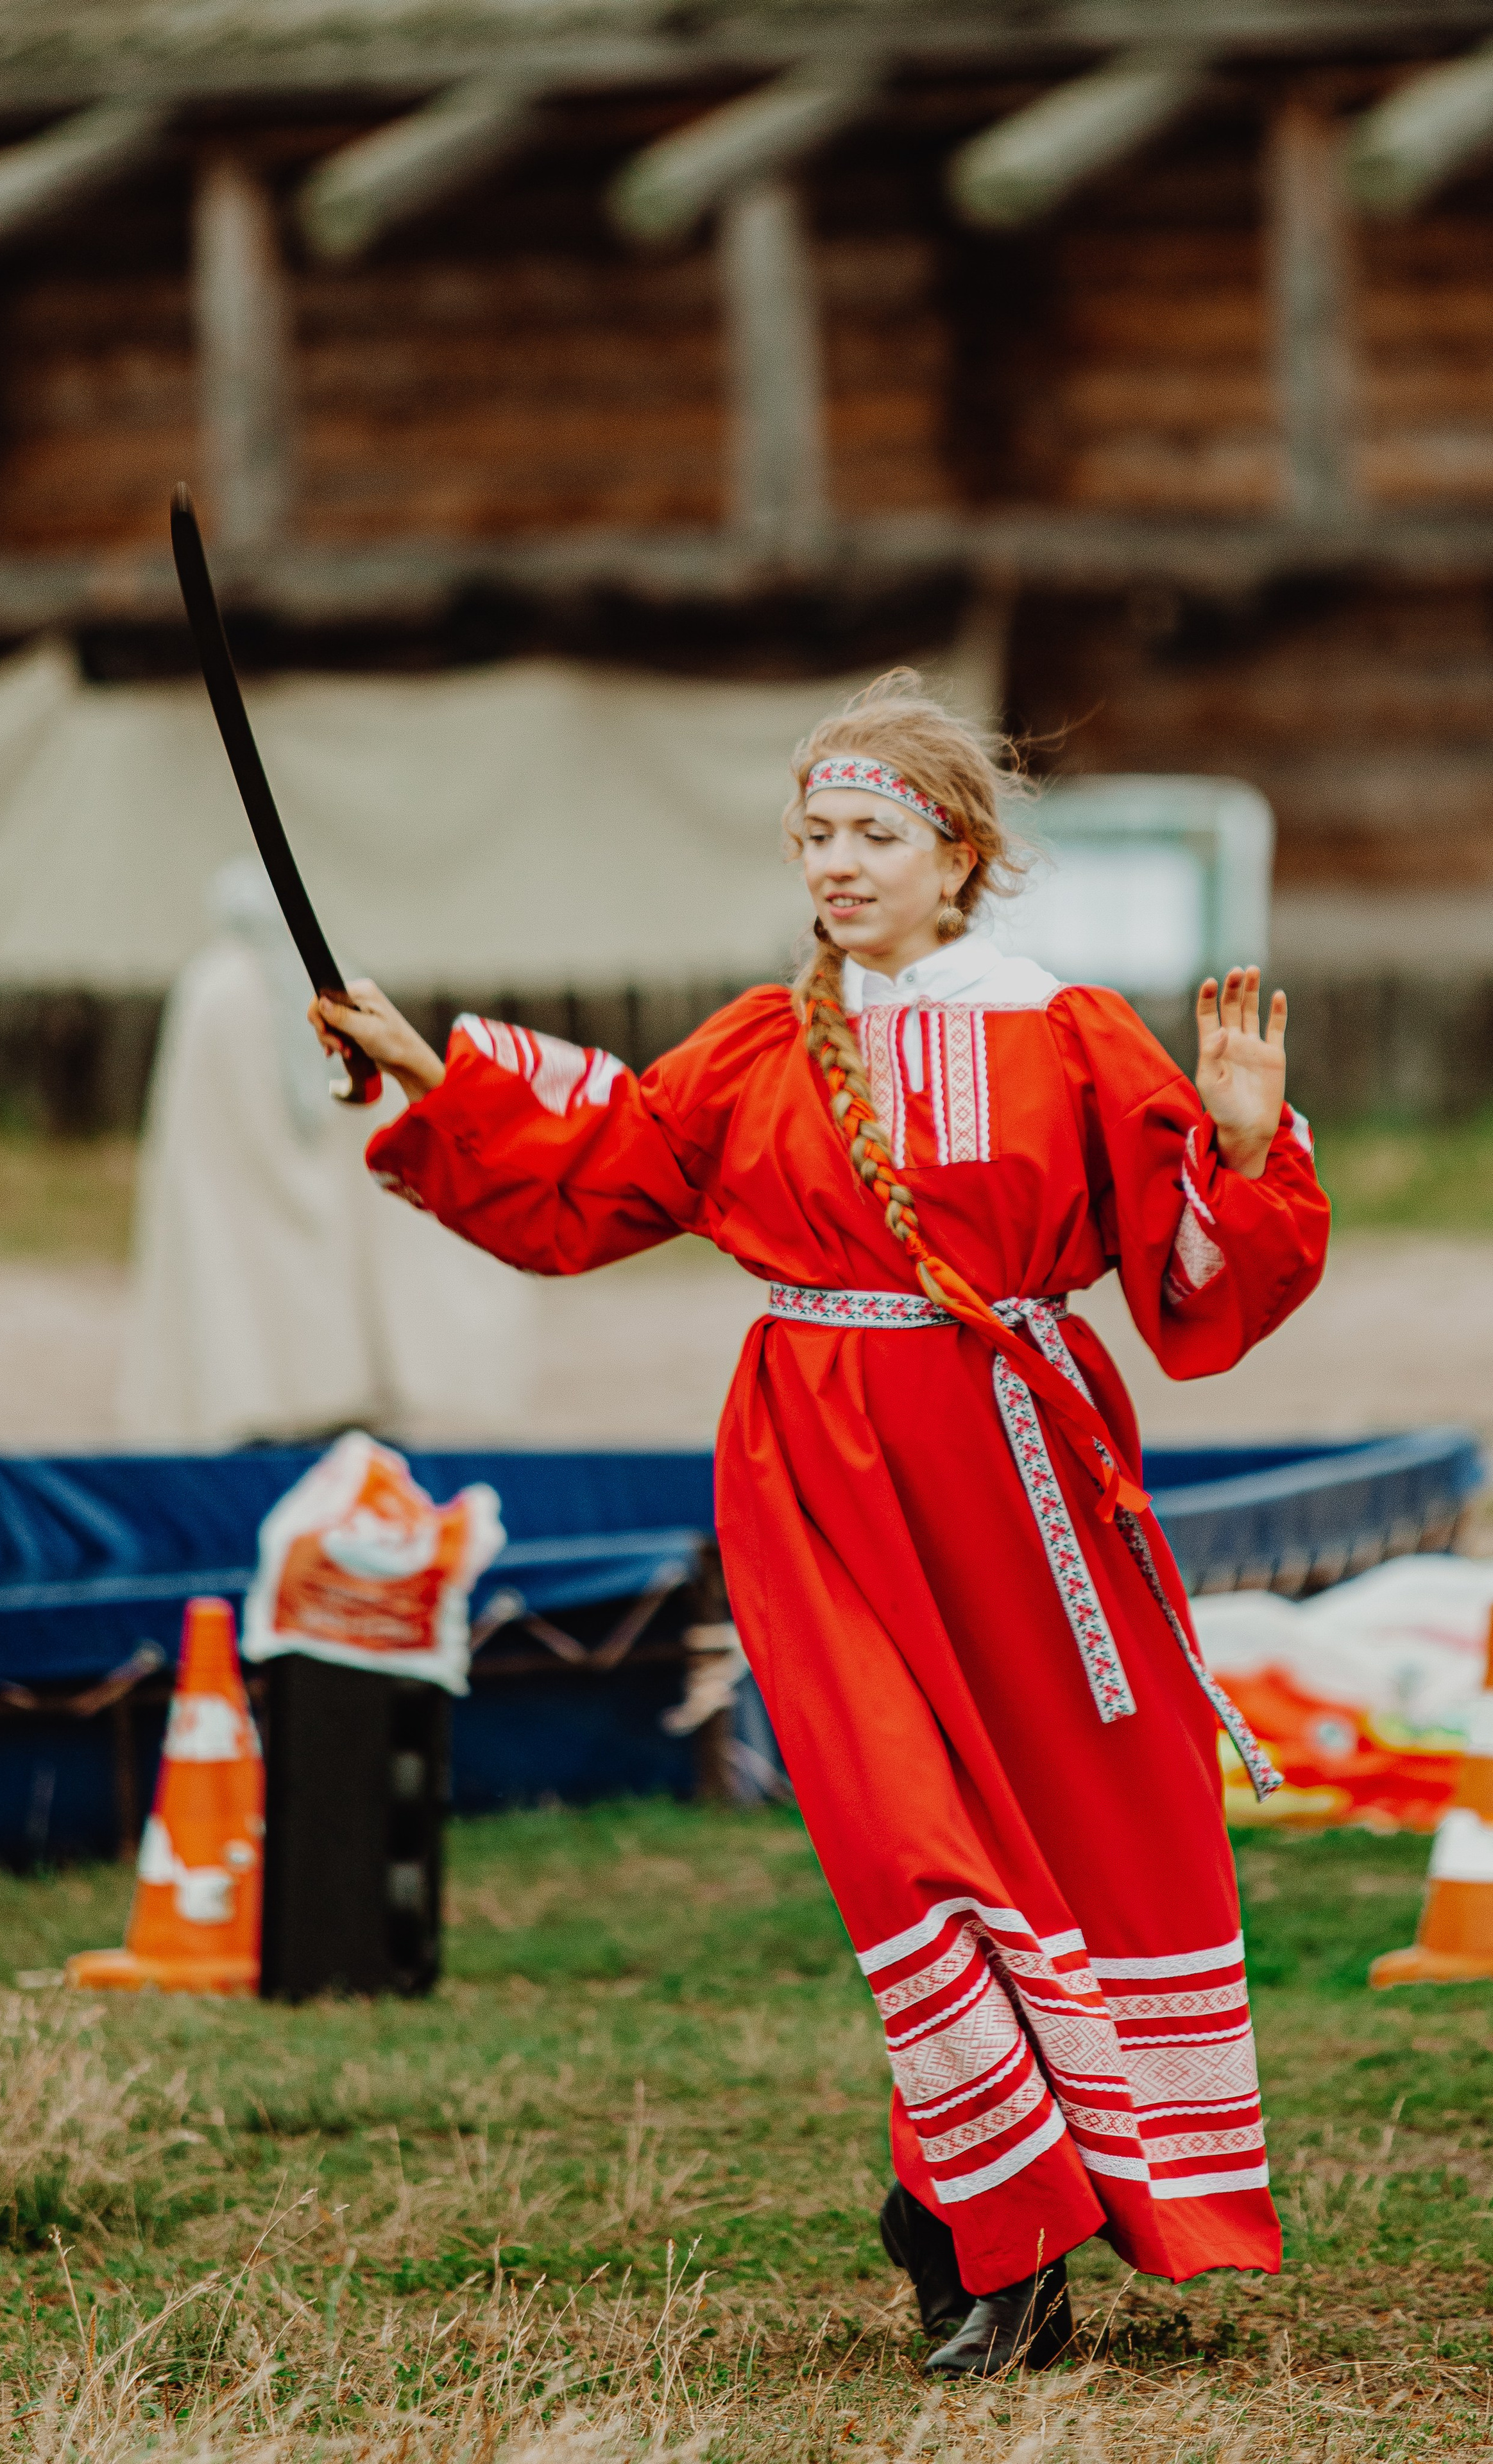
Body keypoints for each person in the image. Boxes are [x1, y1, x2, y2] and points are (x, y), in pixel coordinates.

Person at [310, 671, 1329, 2376]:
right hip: (813, 1476)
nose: (836, 864)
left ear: (964, 856)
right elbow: (602, 1163)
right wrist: (433, 1072)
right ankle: (990, 2229)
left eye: (874, 834)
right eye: (814, 835)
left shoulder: (1069, 1033)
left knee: (1063, 1835)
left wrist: (1237, 1141)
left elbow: (1195, 1281)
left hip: (1019, 1486)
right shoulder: (766, 1044)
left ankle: (970, 2210)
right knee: (909, 1842)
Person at [120, 857, 533, 1448]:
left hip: (245, 1210)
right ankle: (337, 1396)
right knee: (327, 1319)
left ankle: (268, 1402)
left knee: (248, 1304)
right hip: (328, 1213)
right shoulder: (333, 985)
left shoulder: (214, 989)